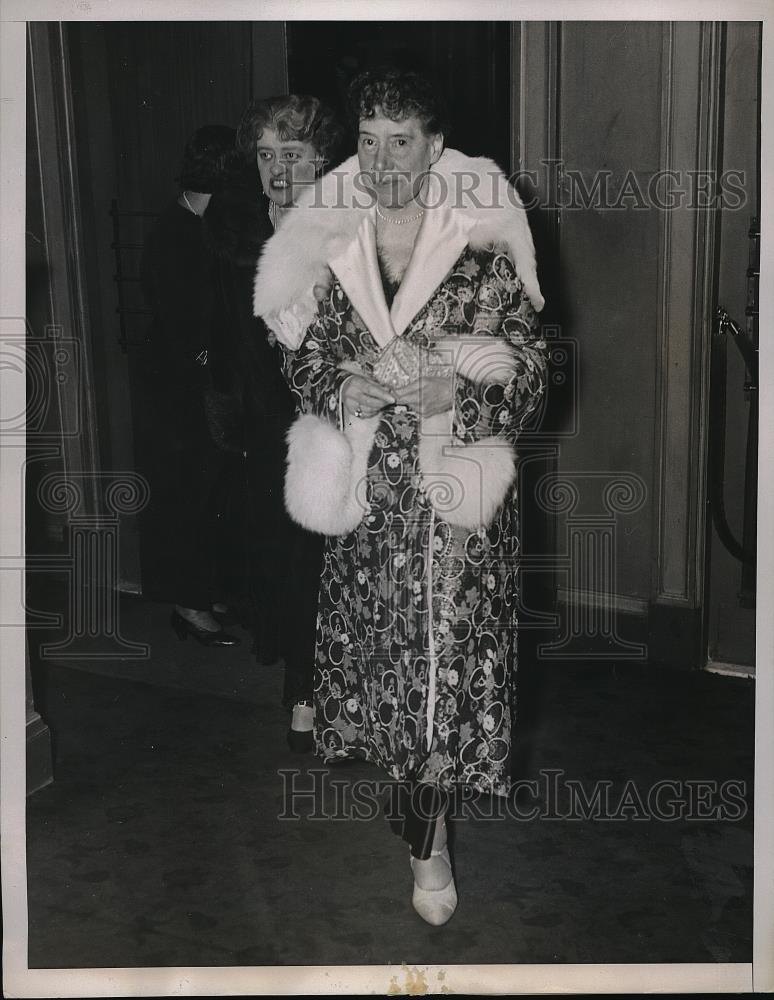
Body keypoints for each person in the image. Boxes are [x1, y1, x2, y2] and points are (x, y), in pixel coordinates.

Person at [254, 68, 547, 924]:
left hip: (455, 503)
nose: (384, 160)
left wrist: (456, 393)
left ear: (434, 147)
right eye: (370, 141)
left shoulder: (483, 246)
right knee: (388, 673)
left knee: (444, 674)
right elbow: (299, 359)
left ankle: (430, 840)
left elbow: (529, 372)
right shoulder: (332, 242)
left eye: (402, 142)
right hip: (371, 501)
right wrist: (346, 388)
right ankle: (419, 807)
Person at [231, 95, 345, 750]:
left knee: (320, 564)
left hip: (328, 424)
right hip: (260, 425)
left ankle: (313, 691)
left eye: (292, 155)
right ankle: (300, 679)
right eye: (267, 155)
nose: (277, 170)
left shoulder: (345, 232)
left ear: (321, 159)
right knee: (280, 564)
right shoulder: (238, 230)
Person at [141, 124, 242, 647]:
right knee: (186, 493)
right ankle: (188, 606)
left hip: (194, 381)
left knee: (206, 492)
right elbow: (182, 321)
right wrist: (207, 361)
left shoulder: (200, 221)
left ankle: (201, 592)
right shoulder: (176, 230)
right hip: (179, 388)